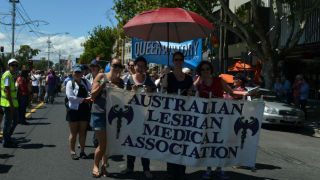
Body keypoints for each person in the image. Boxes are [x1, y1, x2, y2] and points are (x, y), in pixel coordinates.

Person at [194, 61, 233, 180]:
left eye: (207, 69)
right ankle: (208, 168)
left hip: (219, 117)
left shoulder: (219, 80)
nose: (206, 71)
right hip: (205, 119)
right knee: (207, 143)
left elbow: (230, 91)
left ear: (211, 70)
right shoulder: (199, 82)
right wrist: (197, 80)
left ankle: (220, 168)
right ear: (200, 71)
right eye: (203, 69)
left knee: (219, 142)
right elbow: (191, 90)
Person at [121, 56, 155, 179]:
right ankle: (130, 167)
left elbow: (156, 98)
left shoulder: (149, 80)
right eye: (138, 66)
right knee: (131, 143)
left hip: (145, 117)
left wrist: (150, 91)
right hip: (132, 117)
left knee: (144, 143)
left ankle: (146, 168)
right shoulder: (129, 80)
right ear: (134, 67)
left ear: (146, 68)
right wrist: (132, 92)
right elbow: (124, 100)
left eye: (142, 66)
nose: (140, 68)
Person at [161, 52, 193, 180]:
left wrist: (190, 92)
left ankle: (181, 170)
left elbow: (192, 93)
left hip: (185, 114)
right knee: (171, 142)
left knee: (183, 142)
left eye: (180, 59)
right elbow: (163, 92)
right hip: (171, 114)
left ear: (183, 61)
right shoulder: (168, 76)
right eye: (176, 59)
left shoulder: (189, 78)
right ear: (173, 61)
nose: (178, 61)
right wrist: (164, 76)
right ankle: (171, 170)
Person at [90, 58, 124, 178]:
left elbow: (122, 100)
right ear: (110, 65)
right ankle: (95, 166)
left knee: (108, 144)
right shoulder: (101, 76)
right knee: (103, 144)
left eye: (120, 66)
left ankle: (104, 166)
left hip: (112, 116)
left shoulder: (121, 81)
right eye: (115, 65)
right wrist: (103, 84)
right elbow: (93, 95)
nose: (117, 68)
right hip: (99, 113)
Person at [65, 65, 92, 160]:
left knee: (83, 132)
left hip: (84, 109)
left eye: (79, 72)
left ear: (82, 73)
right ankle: (72, 151)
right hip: (73, 110)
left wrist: (91, 95)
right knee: (73, 132)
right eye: (76, 72)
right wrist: (84, 100)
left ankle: (82, 151)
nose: (77, 74)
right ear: (73, 73)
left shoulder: (85, 81)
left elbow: (92, 89)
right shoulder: (69, 83)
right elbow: (70, 98)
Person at [1, 59, 20, 148]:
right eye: (13, 65)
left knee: (15, 121)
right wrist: (11, 105)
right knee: (7, 123)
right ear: (9, 66)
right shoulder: (7, 75)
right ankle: (6, 141)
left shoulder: (12, 75)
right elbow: (7, 90)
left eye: (16, 65)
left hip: (12, 103)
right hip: (8, 104)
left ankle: (8, 137)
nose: (15, 67)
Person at [85, 60, 101, 148]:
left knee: (96, 123)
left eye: (95, 66)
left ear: (98, 67)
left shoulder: (102, 77)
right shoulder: (86, 77)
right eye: (92, 66)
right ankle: (82, 140)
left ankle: (96, 140)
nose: (93, 68)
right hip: (88, 103)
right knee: (86, 123)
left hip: (99, 103)